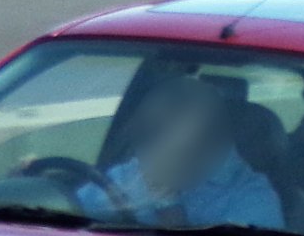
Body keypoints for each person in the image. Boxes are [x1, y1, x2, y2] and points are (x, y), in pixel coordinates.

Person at [80, 76, 283, 228]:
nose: (145, 151)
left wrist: (166, 202)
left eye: (160, 136)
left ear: (208, 144)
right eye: (145, 137)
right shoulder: (127, 175)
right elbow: (73, 208)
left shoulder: (253, 198)